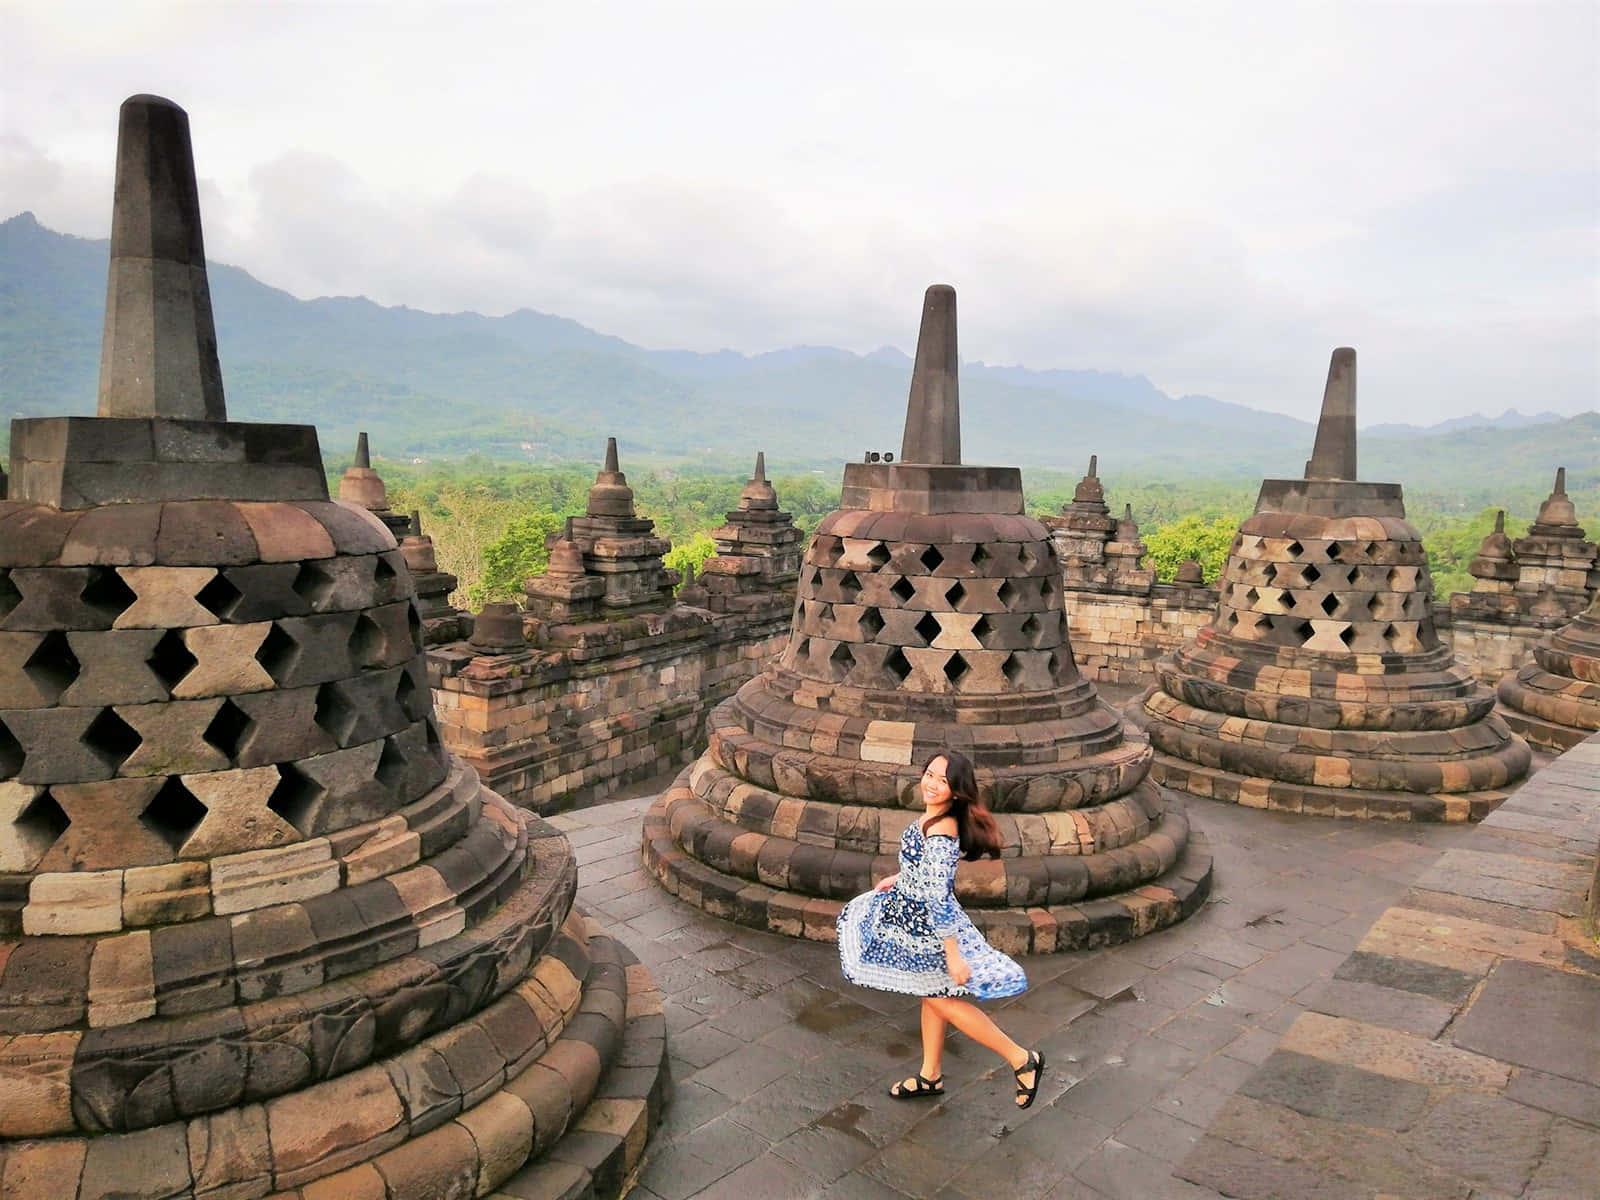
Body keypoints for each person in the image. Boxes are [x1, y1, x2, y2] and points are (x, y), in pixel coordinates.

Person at [837, 750, 1046, 1108]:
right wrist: (900, 878)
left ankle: (1021, 1059)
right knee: (930, 995)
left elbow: (938, 895)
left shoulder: (943, 832)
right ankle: (930, 1075)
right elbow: (924, 873)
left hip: (930, 929)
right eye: (930, 774)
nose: (932, 784)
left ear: (956, 791)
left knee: (941, 1000)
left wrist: (953, 954)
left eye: (943, 781)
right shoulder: (934, 817)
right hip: (912, 918)